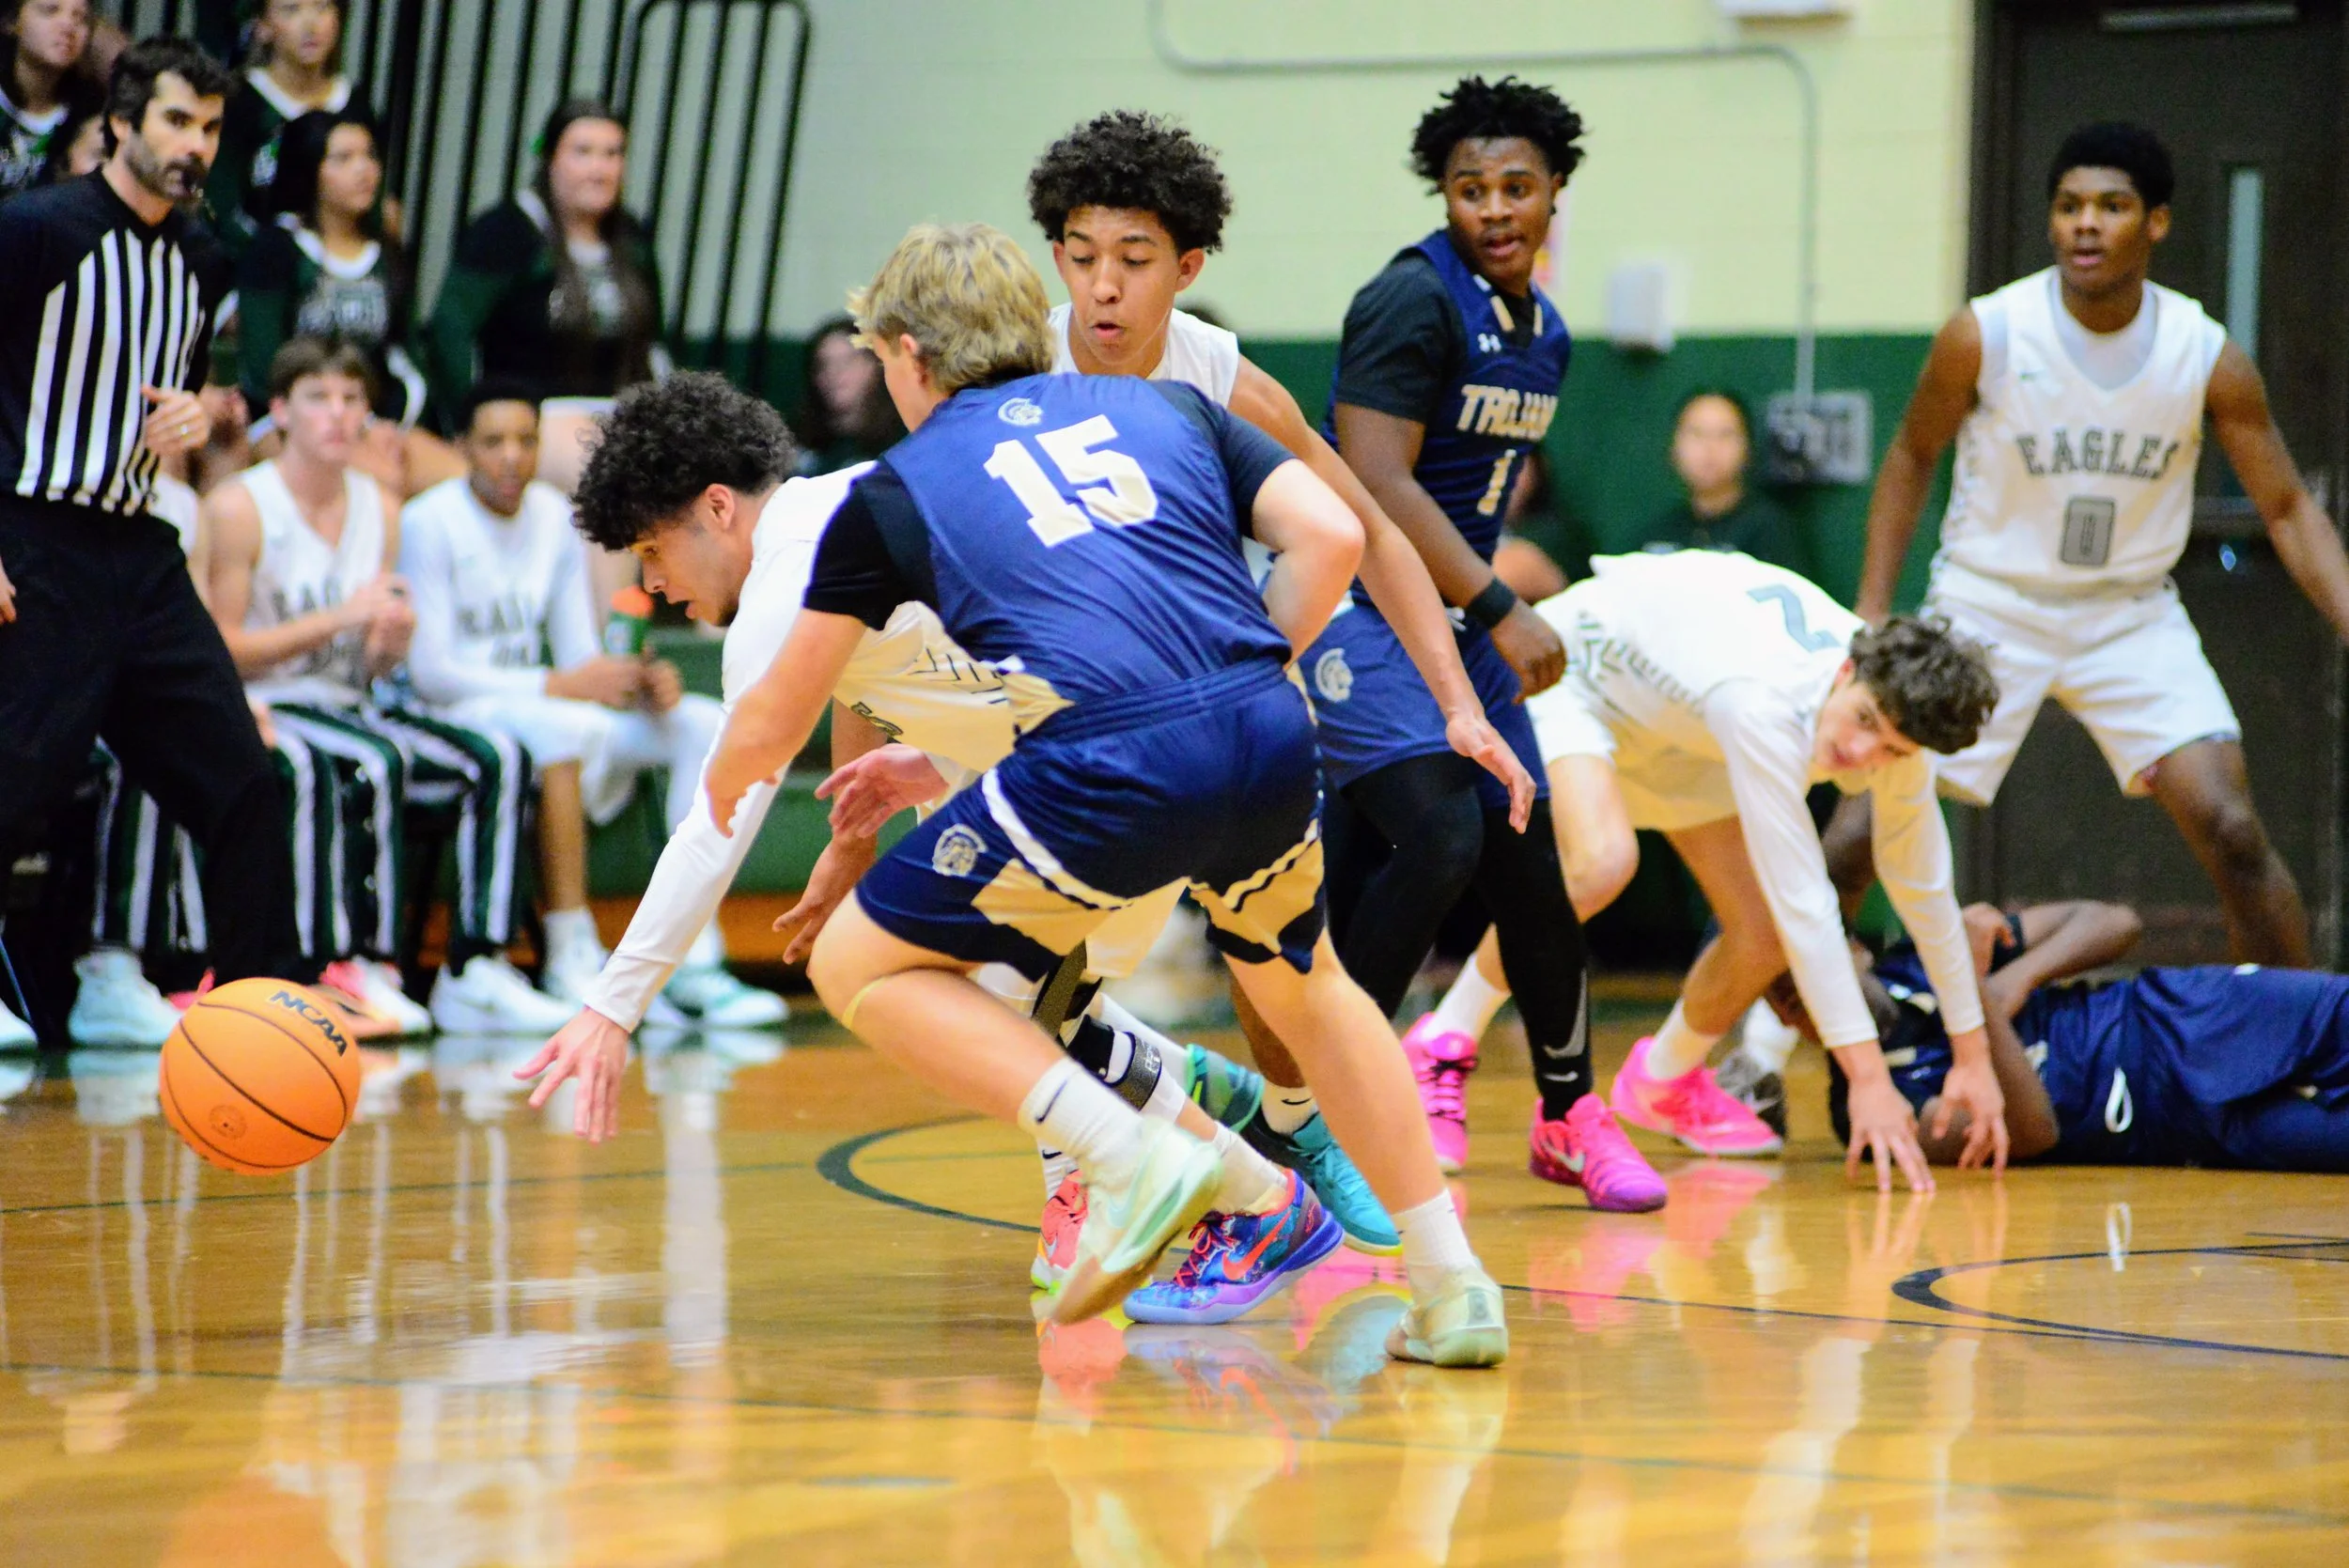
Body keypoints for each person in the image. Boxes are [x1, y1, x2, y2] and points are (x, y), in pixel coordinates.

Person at [527, 223, 1510, 1366]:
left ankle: (1149, 1161)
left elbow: (743, 771)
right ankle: (1447, 1282)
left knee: (869, 964)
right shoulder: (1157, 406)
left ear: (907, 358)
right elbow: (1331, 533)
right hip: (1263, 732)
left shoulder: (895, 492)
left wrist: (614, 1002)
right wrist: (1225, 678)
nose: (651, 583)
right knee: (1305, 989)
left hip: (1106, 773)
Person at [1016, 107, 1540, 1273]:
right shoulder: (1011, 366)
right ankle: (1082, 1183)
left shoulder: (1215, 372)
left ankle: (1295, 1125)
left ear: (1187, 266)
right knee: (1039, 974)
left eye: (1135, 259)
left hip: (1218, 703)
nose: (1104, 286)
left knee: (1286, 963)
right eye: (1082, 256)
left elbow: (1370, 530)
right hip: (1050, 712)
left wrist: (1456, 702)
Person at [1846, 122, 2349, 968]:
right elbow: (1910, 456)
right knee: (1858, 829)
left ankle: (2300, 1036)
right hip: (1989, 602)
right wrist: (1871, 612)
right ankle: (1776, 1028)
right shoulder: (1986, 333)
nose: (2085, 222)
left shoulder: (2205, 353)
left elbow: (2290, 507)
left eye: (2111, 206)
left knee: (2231, 828)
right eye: (2069, 205)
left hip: (2127, 611)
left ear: (2157, 223)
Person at [1318, 75, 1663, 1211]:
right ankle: (1326, 1109)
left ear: (1555, 189)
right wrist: (1500, 603)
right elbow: (1372, 478)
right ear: (1445, 197)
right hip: (1358, 607)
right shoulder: (1410, 300)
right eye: (1472, 189)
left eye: (1517, 186)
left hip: (1456, 616)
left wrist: (1478, 605)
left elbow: (1466, 497)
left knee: (1531, 859)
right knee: (1439, 833)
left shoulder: (1544, 332)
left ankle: (1568, 1115)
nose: (1496, 207)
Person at [1414, 549, 2011, 1189]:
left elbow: (1925, 893)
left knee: (1763, 933)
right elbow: (1807, 905)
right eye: (1865, 720)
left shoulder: (1899, 730)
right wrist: (1868, 1078)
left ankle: (1664, 1080)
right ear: (1846, 671)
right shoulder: (1763, 703)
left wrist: (1973, 1057)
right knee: (1602, 862)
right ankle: (1441, 1042)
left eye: (1891, 747)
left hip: (1680, 728)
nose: (1862, 751)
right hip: (1575, 674)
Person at [0, 38, 312, 1038]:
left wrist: (197, 415)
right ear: (123, 124)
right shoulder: (35, 228)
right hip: (32, 537)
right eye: (177, 121)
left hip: (137, 545)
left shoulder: (203, 256)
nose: (196, 146)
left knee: (244, 784)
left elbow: (166, 395)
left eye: (212, 128)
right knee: (15, 783)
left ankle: (257, 1024)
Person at [399, 382, 783, 1029]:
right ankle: (570, 949)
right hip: (458, 716)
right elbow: (432, 674)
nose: (512, 456)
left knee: (699, 723)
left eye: (525, 440)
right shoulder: (428, 521)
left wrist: (633, 680)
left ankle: (695, 957)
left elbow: (579, 651)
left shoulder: (553, 515)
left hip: (541, 704)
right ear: (462, 447)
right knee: (557, 732)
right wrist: (560, 685)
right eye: (493, 441)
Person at [205, 337, 560, 1037]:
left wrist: (387, 646)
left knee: (500, 756)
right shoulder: (241, 506)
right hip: (269, 703)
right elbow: (224, 652)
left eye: (352, 399)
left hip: (350, 702)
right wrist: (340, 617)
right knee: (372, 761)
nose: (338, 414)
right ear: (281, 412)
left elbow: (370, 668)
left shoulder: (382, 508)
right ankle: (351, 963)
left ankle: (476, 965)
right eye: (319, 398)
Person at [1778, 899, 2349, 1172]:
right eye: (1784, 994)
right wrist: (1967, 988)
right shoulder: (1864, 1112)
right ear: (1783, 1020)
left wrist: (2018, 977)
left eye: (1811, 967)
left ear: (1856, 948)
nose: (1808, 992)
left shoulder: (1917, 956)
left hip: (2180, 1013)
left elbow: (2116, 922)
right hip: (2166, 1121)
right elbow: (2032, 1131)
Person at [425, 98, 664, 497]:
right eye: (583, 152)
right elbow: (450, 329)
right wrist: (472, 420)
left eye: (612, 154)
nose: (599, 169)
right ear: (550, 159)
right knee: (614, 477)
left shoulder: (632, 238)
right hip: (537, 414)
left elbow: (655, 345)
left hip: (621, 412)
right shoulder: (506, 233)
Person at [236, 108, 460, 497]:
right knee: (382, 482)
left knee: (461, 485)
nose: (364, 170)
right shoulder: (276, 249)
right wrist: (335, 417)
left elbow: (405, 353)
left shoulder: (385, 253)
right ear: (309, 168)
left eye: (369, 155)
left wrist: (387, 422)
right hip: (287, 420)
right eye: (343, 158)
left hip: (372, 419)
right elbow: (262, 366)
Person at [202, 0, 350, 251]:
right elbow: (219, 205)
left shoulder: (353, 106)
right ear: (262, 26)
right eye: (291, 9)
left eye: (322, 6)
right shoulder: (238, 103)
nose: (310, 24)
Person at [1641, 388, 1807, 573]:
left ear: (1748, 447)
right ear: (1673, 447)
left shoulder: (1771, 532)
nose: (1710, 448)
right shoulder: (1656, 536)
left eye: (1725, 434)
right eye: (1697, 434)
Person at [0, 0, 98, 205]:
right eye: (50, 10)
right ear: (12, 20)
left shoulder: (91, 112)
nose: (68, 25)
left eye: (81, 18)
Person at [791, 316, 904, 476]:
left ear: (875, 366)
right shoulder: (797, 441)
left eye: (847, 361)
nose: (833, 373)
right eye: (823, 364)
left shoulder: (902, 442)